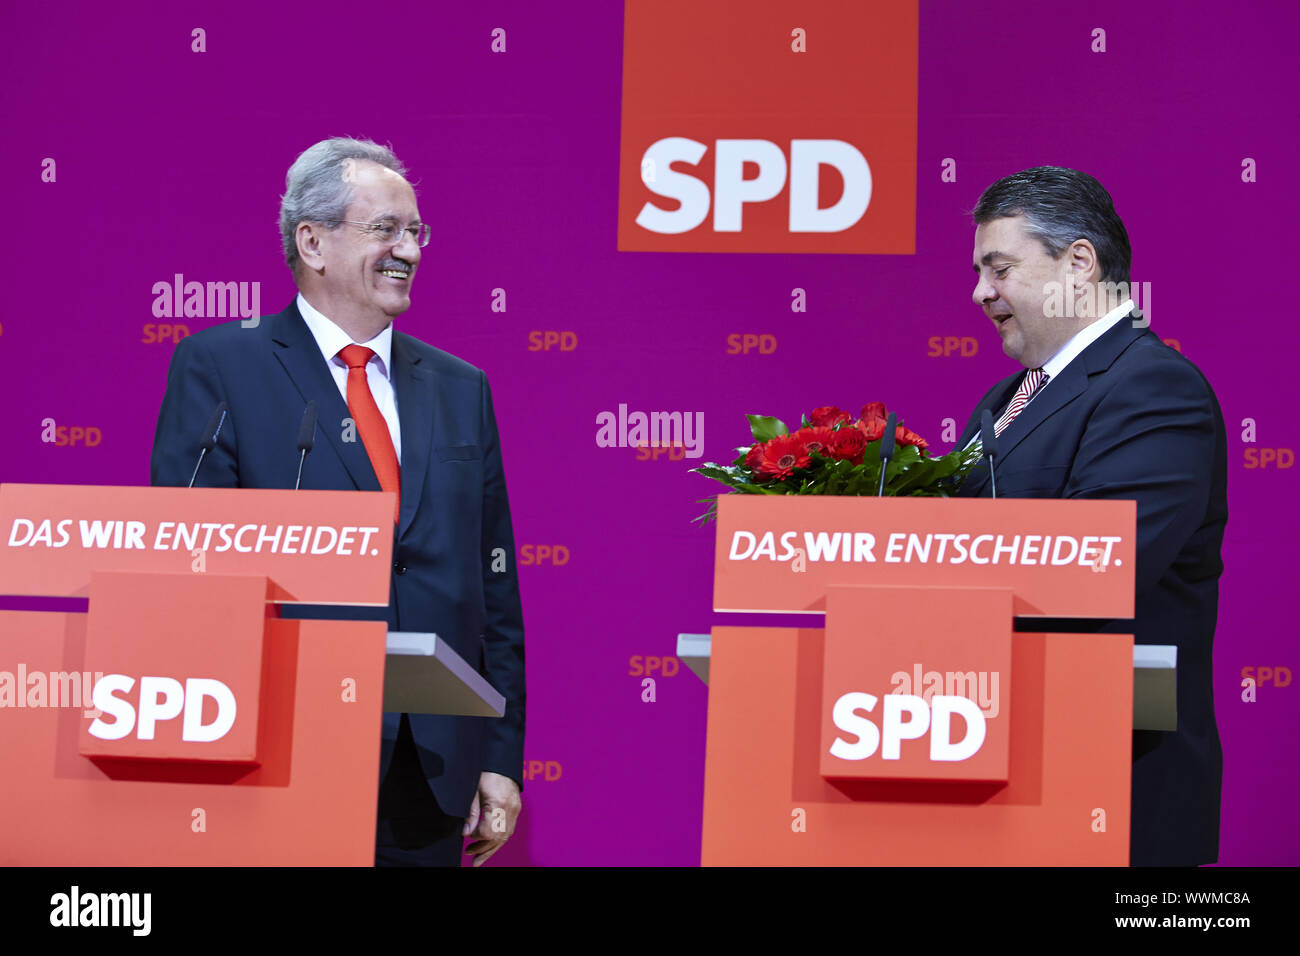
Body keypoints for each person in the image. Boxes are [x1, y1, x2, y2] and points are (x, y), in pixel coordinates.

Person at [150, 137, 525, 867]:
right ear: (312, 242)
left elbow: (494, 587)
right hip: (275, 751)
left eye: (416, 232)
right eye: (385, 229)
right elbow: (184, 565)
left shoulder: (460, 387)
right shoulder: (223, 365)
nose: (409, 250)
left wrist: (501, 755)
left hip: (429, 765)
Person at [955, 166, 1226, 867]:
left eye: (1000, 267)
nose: (981, 292)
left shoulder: (1154, 385)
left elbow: (1096, 572)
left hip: (1112, 791)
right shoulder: (1001, 399)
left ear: (1079, 263)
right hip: (986, 769)